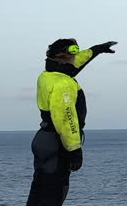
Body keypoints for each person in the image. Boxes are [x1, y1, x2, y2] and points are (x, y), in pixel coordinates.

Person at [26, 38, 118, 206]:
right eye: (73, 54)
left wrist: (97, 49)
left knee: (40, 188)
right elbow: (66, 119)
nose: (76, 58)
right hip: (57, 143)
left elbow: (76, 62)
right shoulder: (63, 83)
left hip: (44, 139)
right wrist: (74, 149)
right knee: (53, 193)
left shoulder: (47, 75)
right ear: (63, 57)